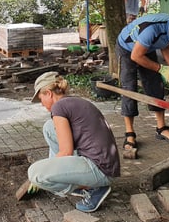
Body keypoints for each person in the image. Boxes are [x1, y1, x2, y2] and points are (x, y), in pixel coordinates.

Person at [27, 72, 120, 213]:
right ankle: (87, 182)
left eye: (41, 99)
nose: (42, 104)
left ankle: (92, 188)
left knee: (35, 173)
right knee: (49, 127)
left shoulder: (58, 108)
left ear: (48, 93)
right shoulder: (73, 102)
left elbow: (66, 151)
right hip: (106, 165)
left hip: (100, 170)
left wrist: (42, 176)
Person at [115, 11, 169, 153]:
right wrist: (160, 68)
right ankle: (130, 134)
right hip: (127, 49)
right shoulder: (152, 30)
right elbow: (136, 56)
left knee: (155, 85)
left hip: (146, 47)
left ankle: (161, 128)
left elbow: (165, 45)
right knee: (129, 90)